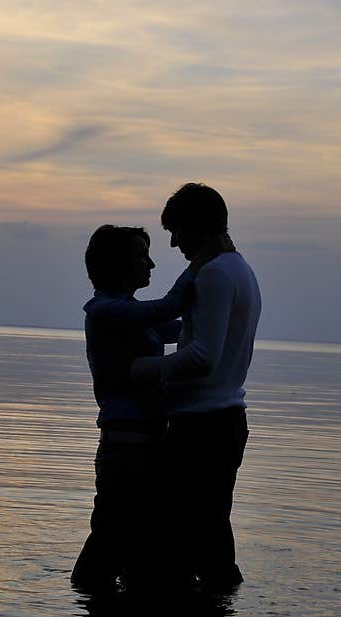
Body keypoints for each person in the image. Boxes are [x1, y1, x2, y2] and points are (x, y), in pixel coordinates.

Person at [132, 183, 261, 592]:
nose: (173, 243)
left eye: (177, 232)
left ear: (198, 228)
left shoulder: (216, 275)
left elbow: (204, 356)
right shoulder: (239, 269)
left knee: (182, 539)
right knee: (211, 533)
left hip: (202, 425)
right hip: (224, 420)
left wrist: (142, 369)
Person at [71, 224, 195, 593]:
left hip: (147, 441)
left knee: (135, 540)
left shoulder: (132, 313)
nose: (152, 264)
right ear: (119, 263)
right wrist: (205, 260)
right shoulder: (104, 312)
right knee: (110, 537)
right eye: (143, 255)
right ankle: (88, 608)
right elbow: (171, 307)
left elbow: (183, 328)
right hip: (125, 447)